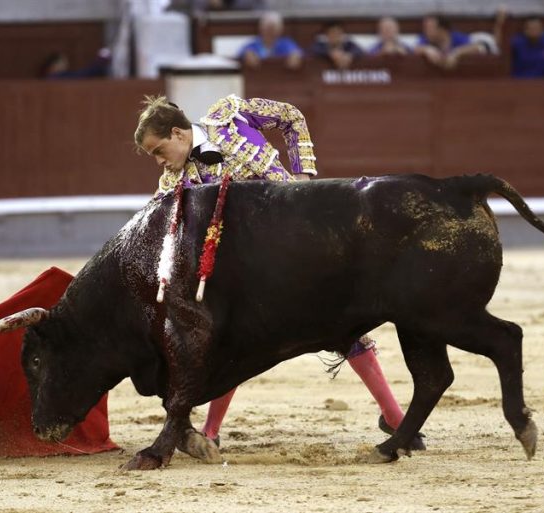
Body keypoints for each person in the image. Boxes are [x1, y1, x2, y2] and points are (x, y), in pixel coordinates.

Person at [133, 95, 425, 450]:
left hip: (300, 240)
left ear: (178, 134)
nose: (160, 161)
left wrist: (302, 177)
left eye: (159, 151)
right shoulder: (171, 183)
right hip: (250, 271)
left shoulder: (228, 116)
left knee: (344, 321)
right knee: (233, 341)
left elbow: (291, 116)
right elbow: (157, 230)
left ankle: (393, 416)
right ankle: (210, 431)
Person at [414, 14, 485, 69]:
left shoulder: (456, 37)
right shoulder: (425, 38)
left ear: (442, 29)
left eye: (430, 28)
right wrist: (427, 50)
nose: (426, 31)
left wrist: (456, 53)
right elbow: (416, 48)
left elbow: (478, 48)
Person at [237, 11, 303, 69]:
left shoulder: (286, 43)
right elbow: (242, 52)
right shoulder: (253, 44)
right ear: (261, 29)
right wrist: (246, 55)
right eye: (268, 28)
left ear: (280, 30)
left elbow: (297, 52)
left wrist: (296, 56)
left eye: (273, 28)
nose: (270, 32)